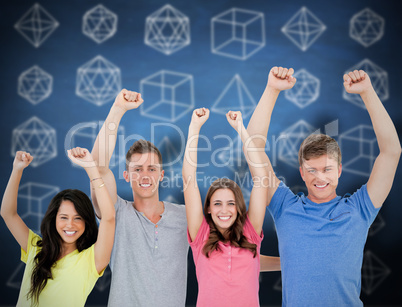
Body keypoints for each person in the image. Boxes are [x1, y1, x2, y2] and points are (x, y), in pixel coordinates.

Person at [246, 66, 401, 306]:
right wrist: (272, 89)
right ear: (302, 173)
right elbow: (253, 150)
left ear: (339, 170)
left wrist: (367, 92)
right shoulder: (285, 207)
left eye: (327, 169)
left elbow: (391, 152)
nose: (320, 177)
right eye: (312, 170)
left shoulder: (360, 208)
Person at [91, 90, 188, 306]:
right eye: (137, 169)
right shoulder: (115, 213)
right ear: (126, 175)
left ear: (161, 175)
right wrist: (118, 110)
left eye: (152, 169)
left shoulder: (185, 216)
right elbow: (97, 167)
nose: (145, 175)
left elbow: (227, 252)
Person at [183, 108, 281, 306]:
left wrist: (240, 128)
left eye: (231, 203)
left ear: (238, 208)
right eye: (217, 203)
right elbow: (189, 179)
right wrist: (195, 127)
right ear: (208, 208)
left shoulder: (250, 233)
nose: (224, 210)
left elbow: (261, 179)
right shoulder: (200, 236)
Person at [1, 147, 115, 307]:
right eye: (63, 217)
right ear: (53, 219)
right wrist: (17, 170)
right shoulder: (36, 248)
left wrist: (90, 167)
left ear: (86, 223)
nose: (70, 224)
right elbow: (8, 214)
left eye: (78, 218)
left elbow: (109, 218)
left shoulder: (92, 260)